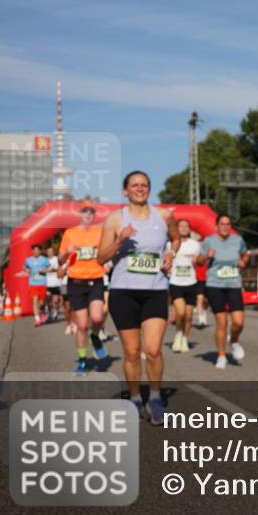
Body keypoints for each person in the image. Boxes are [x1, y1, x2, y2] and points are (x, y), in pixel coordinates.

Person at [97, 171, 180, 425]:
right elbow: (101, 258)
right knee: (132, 353)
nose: (140, 188)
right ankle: (134, 398)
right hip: (124, 292)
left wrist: (170, 254)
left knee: (153, 350)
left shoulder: (164, 216)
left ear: (149, 189)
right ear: (125, 191)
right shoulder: (115, 219)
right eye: (134, 185)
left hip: (155, 290)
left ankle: (154, 397)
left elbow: (175, 239)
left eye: (144, 185)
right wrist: (120, 239)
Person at [60, 201, 108, 374]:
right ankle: (82, 360)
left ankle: (95, 337)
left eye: (91, 212)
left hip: (95, 280)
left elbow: (107, 251)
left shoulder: (100, 232)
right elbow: (60, 260)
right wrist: (67, 252)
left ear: (94, 215)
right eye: (85, 212)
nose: (88, 214)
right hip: (76, 283)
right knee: (81, 326)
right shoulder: (70, 233)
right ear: (80, 214)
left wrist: (107, 261)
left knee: (96, 318)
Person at [196, 215, 249, 369]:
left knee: (239, 322)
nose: (225, 227)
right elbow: (198, 261)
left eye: (228, 224)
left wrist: (243, 261)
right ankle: (221, 356)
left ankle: (234, 340)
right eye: (222, 224)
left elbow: (245, 254)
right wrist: (207, 256)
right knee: (222, 323)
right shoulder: (209, 241)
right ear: (217, 225)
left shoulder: (237, 240)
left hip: (233, 284)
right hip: (214, 285)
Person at [167, 219, 201, 354]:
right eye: (181, 226)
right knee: (180, 313)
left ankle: (185, 339)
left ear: (189, 229)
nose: (183, 228)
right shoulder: (170, 244)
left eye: (186, 226)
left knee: (188, 316)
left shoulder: (195, 245)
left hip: (191, 282)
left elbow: (198, 261)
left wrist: (198, 259)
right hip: (176, 282)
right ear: (176, 228)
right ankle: (178, 335)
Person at [24, 244, 50, 326]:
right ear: (32, 251)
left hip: (42, 283)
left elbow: (50, 268)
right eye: (34, 250)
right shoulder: (28, 260)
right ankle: (37, 319)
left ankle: (43, 312)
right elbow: (24, 267)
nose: (35, 252)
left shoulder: (44, 259)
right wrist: (27, 270)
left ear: (40, 251)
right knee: (35, 301)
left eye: (37, 250)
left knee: (42, 302)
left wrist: (45, 270)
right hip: (33, 283)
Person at [45, 247, 64, 323]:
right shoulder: (45, 260)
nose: (50, 253)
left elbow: (60, 269)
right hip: (47, 283)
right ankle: (49, 313)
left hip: (56, 282)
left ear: (53, 252)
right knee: (48, 299)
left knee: (55, 300)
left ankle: (55, 313)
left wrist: (52, 269)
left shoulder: (57, 259)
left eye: (51, 251)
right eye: (48, 252)